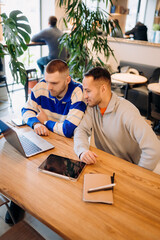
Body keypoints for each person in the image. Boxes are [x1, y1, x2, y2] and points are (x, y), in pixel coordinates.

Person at [5, 59, 86, 225]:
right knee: (23, 164)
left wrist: (46, 122)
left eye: (54, 83)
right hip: (44, 137)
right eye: (47, 81)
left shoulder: (78, 92)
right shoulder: (42, 85)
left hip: (67, 145)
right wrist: (35, 123)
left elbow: (68, 130)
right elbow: (26, 111)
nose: (48, 87)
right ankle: (18, 201)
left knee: (55, 183)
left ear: (67, 80)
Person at [74, 67, 160, 170]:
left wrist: (140, 174)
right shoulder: (93, 107)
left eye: (88, 91)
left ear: (103, 89)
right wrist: (82, 151)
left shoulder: (127, 111)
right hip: (107, 164)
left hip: (130, 168)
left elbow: (153, 148)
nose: (84, 96)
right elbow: (81, 130)